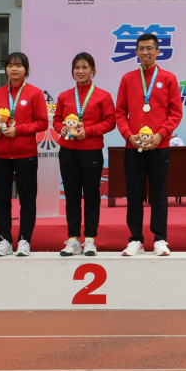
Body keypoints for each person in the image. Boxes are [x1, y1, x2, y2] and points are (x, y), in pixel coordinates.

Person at [114, 33, 184, 257]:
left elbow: (175, 113)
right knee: (134, 194)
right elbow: (119, 113)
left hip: (159, 146)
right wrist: (128, 135)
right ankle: (135, 239)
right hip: (133, 147)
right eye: (141, 48)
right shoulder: (128, 79)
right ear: (136, 52)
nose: (145, 52)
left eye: (150, 48)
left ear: (158, 51)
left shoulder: (169, 78)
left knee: (158, 194)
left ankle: (160, 239)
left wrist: (161, 135)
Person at [0, 52, 48, 258]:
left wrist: (18, 130)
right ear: (5, 69)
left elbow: (42, 122)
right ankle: (4, 240)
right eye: (10, 65)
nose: (14, 69)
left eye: (19, 65)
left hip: (25, 154)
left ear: (26, 69)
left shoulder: (34, 93)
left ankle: (24, 240)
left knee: (27, 200)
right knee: (1, 199)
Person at [54, 52, 116, 257]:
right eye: (77, 68)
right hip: (67, 152)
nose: (80, 71)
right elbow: (56, 120)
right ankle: (73, 240)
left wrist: (87, 131)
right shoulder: (64, 96)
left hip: (91, 152)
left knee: (91, 196)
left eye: (84, 67)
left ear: (93, 70)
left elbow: (110, 122)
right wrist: (62, 128)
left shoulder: (103, 96)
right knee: (71, 196)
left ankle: (90, 240)